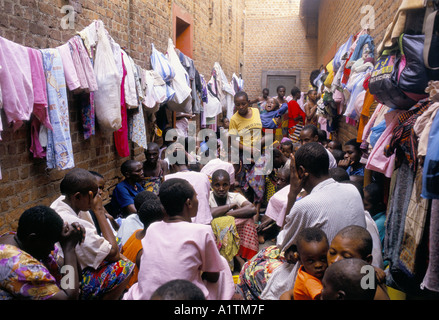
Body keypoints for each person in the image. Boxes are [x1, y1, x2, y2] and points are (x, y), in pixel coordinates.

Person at [259, 142, 367, 300]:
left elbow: (282, 243)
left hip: (323, 277)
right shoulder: (352, 190)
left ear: (301, 172)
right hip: (355, 272)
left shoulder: (305, 206)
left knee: (256, 267)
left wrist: (292, 194)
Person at [123, 178, 235, 300]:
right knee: (222, 263)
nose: (198, 200)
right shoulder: (202, 231)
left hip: (147, 296)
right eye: (196, 197)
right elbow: (214, 277)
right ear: (189, 203)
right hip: (181, 297)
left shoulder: (152, 228)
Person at [50, 168, 134, 300]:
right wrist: (99, 210)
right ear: (77, 196)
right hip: (69, 277)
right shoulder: (71, 220)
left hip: (70, 264)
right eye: (94, 195)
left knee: (116, 243)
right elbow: (113, 254)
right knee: (125, 267)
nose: (98, 198)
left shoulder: (65, 200)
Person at [0, 206, 85, 300]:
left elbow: (75, 278)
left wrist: (70, 238)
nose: (52, 247)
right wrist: (69, 248)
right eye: (51, 243)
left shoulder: (17, 238)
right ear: (32, 239)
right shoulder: (21, 266)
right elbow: (70, 297)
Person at [209, 169, 258, 270]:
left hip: (232, 234)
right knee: (221, 223)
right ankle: (233, 259)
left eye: (225, 185)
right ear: (212, 185)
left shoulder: (235, 196)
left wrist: (228, 214)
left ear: (230, 185)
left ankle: (243, 256)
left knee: (248, 220)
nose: (221, 188)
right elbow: (208, 213)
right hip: (215, 236)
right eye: (217, 185)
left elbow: (252, 209)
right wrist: (231, 206)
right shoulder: (207, 197)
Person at [327, 225, 389, 300]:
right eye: (332, 253)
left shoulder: (370, 291)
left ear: (367, 260)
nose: (335, 260)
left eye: (346, 257)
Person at [121, 192, 165, 288]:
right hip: (133, 287)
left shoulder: (137, 232)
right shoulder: (146, 250)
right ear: (159, 222)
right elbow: (150, 281)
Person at [164, 150, 212, 225]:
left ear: (172, 166)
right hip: (205, 221)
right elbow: (206, 198)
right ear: (188, 164)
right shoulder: (203, 176)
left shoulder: (168, 179)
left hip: (181, 224)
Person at [280, 228, 329, 300]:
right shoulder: (309, 282)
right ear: (299, 260)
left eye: (323, 258)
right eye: (311, 261)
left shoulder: (306, 271)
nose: (318, 265)